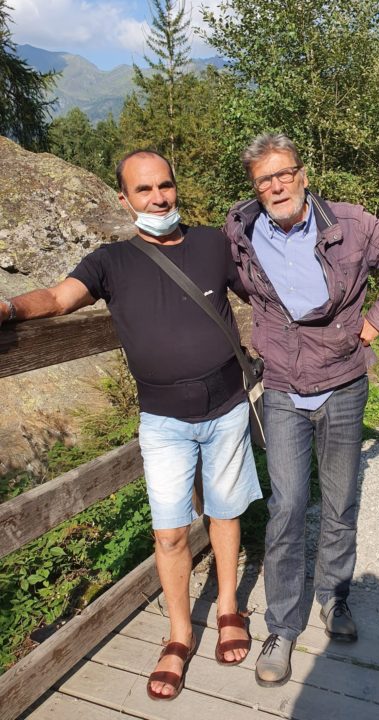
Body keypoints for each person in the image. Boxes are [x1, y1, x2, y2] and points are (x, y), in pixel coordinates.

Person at [0, 149, 262, 700]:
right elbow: (58, 298)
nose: (158, 198)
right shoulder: (110, 261)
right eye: (144, 190)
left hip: (227, 406)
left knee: (224, 511)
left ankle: (229, 609)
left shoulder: (213, 243)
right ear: (124, 199)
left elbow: (262, 292)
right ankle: (179, 635)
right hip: (163, 420)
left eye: (165, 185)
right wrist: (8, 309)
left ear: (175, 187)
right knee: (169, 531)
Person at [224, 133, 379, 687]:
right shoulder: (239, 230)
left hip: (343, 385)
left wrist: (376, 323)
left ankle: (335, 599)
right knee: (288, 506)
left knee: (339, 502)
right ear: (255, 188)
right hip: (283, 388)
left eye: (284, 173)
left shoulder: (350, 224)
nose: (276, 186)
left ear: (303, 174)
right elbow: (237, 285)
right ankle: (282, 627)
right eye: (264, 179)